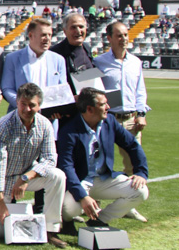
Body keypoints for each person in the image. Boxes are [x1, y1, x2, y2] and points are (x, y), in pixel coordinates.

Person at [0, 83, 68, 246]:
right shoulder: (2, 127)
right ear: (17, 102)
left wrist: (26, 178)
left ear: (39, 106)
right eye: (23, 104)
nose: (27, 109)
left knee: (58, 176)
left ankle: (50, 230)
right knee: (1, 231)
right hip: (3, 181)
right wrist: (0, 202)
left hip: (26, 177)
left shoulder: (45, 125)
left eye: (32, 105)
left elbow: (50, 159)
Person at [57, 88, 150, 230]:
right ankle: (66, 221)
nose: (108, 107)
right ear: (90, 109)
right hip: (80, 180)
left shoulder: (110, 121)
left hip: (103, 178)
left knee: (140, 191)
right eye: (103, 104)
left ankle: (99, 220)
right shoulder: (69, 129)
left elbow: (132, 145)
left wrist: (141, 172)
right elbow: (66, 166)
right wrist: (83, 197)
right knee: (71, 209)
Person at [94, 21, 150, 224]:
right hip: (107, 120)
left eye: (126, 35)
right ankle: (93, 205)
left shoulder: (136, 62)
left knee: (133, 165)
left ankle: (129, 206)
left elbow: (140, 90)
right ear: (109, 38)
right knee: (99, 163)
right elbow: (90, 88)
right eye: (119, 35)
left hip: (130, 119)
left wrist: (142, 113)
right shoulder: (98, 62)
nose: (124, 39)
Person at [1, 17, 68, 110]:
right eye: (43, 35)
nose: (47, 38)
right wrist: (23, 106)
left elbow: (62, 90)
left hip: (49, 118)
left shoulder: (59, 60)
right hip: (19, 116)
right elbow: (7, 88)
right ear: (31, 35)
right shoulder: (12, 58)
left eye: (50, 35)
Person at [50, 13, 95, 78]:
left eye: (81, 27)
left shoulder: (87, 48)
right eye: (73, 27)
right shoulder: (55, 53)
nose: (78, 31)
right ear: (65, 31)